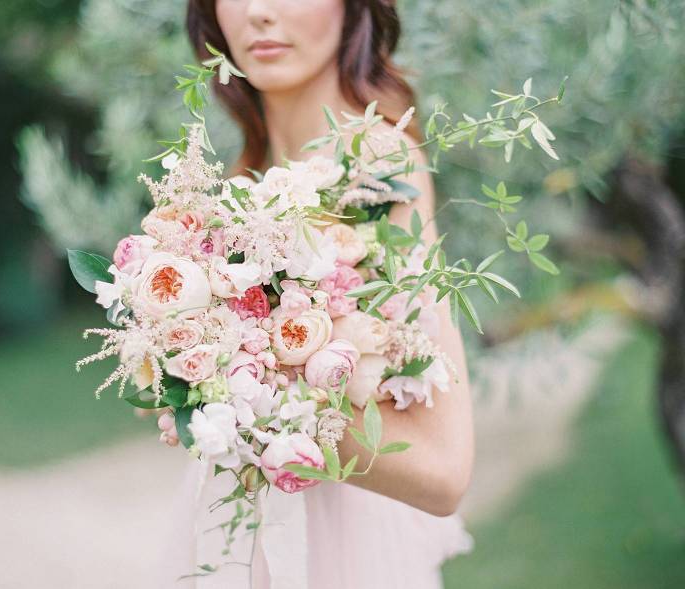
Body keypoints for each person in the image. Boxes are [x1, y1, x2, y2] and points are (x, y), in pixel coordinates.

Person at [152, 1, 475, 587]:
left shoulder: (376, 164)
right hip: (243, 533)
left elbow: (445, 471)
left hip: (339, 549)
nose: (259, 12)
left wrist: (252, 399)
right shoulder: (241, 173)